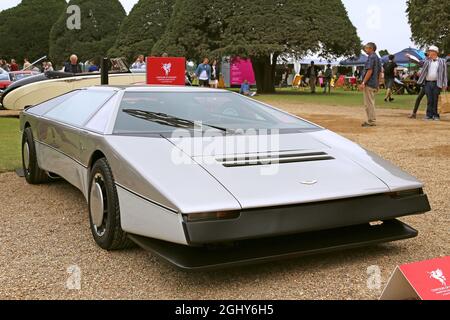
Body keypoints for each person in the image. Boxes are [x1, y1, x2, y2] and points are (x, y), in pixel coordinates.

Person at [417, 45, 448, 121]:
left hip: (437, 83)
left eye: (430, 51)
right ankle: (428, 115)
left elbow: (444, 74)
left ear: (435, 52)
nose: (428, 53)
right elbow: (420, 63)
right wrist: (411, 58)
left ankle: (436, 115)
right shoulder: (427, 61)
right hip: (427, 83)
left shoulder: (442, 61)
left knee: (435, 99)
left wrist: (445, 84)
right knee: (429, 99)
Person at [359, 42, 382, 127]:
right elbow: (380, 72)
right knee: (370, 102)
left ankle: (371, 121)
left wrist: (363, 82)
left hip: (369, 83)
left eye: (366, 48)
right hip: (374, 83)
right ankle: (371, 120)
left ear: (371, 48)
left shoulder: (371, 57)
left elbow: (369, 70)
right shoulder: (377, 58)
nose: (365, 50)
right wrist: (378, 84)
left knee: (368, 103)